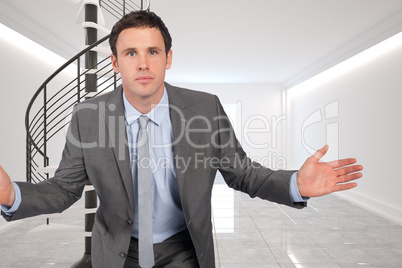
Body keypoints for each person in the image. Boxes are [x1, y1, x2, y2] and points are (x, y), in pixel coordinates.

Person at [0, 10, 363, 268]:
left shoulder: (205, 109)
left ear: (168, 58)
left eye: (152, 52)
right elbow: (64, 189)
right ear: (115, 63)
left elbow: (242, 173)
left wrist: (295, 184)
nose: (143, 63)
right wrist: (11, 195)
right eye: (131, 53)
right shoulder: (87, 117)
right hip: (116, 253)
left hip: (184, 250)